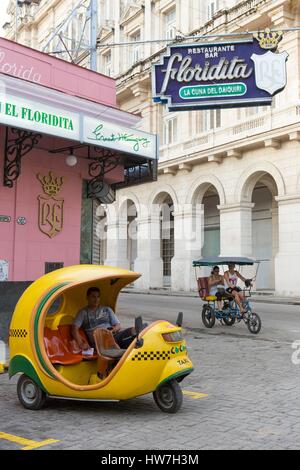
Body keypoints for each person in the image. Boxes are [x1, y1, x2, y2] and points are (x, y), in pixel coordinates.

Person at [71, 287, 137, 351]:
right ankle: (119, 353)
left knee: (134, 331)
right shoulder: (83, 312)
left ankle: (126, 354)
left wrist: (113, 330)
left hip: (113, 336)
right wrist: (81, 343)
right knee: (120, 342)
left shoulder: (107, 309)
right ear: (87, 297)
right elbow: (74, 329)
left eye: (98, 297)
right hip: (100, 341)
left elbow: (118, 325)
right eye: (93, 297)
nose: (96, 299)